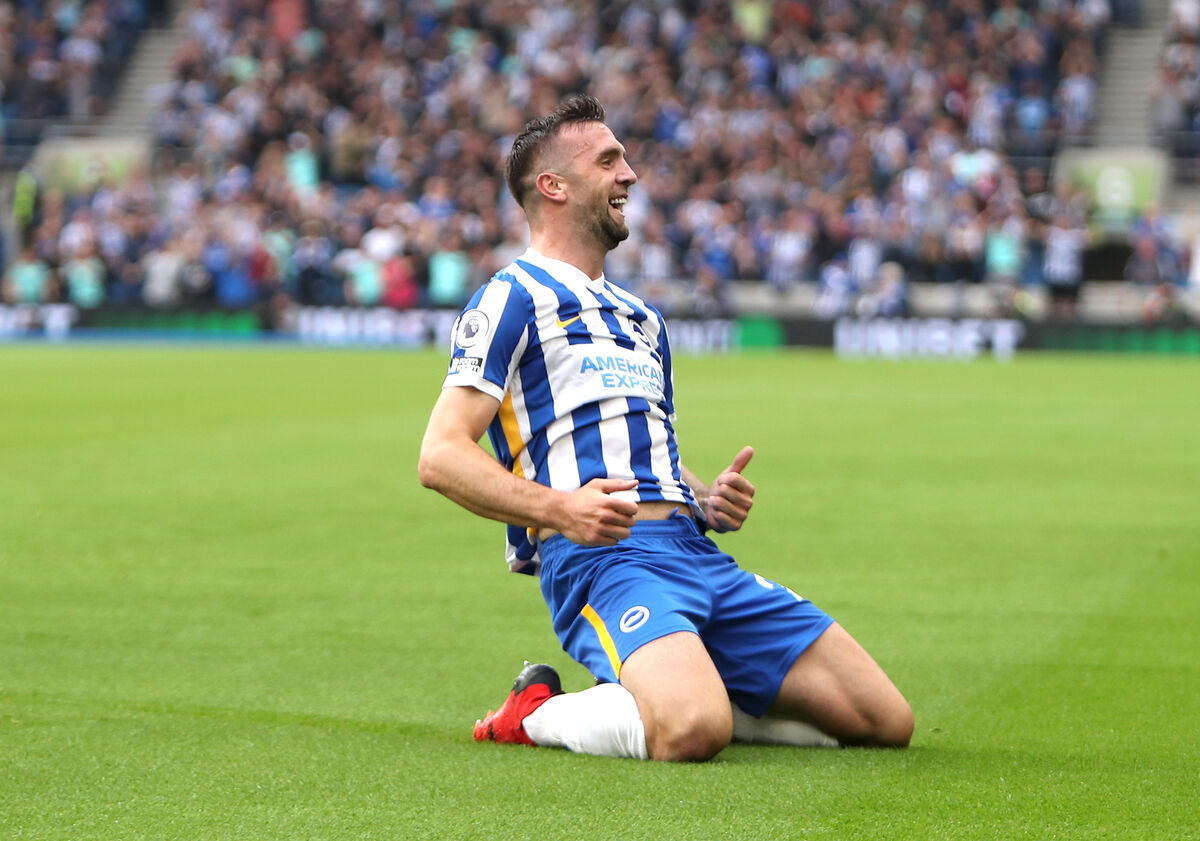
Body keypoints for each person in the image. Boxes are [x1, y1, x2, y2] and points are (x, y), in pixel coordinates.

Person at [418, 95, 913, 762]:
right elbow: (440, 455)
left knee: (884, 720)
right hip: (604, 560)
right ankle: (534, 713)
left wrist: (702, 497)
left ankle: (678, 680)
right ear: (553, 186)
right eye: (609, 160)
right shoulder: (513, 296)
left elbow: (647, 446)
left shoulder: (642, 316)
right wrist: (561, 509)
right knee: (692, 730)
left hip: (692, 550)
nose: (631, 174)